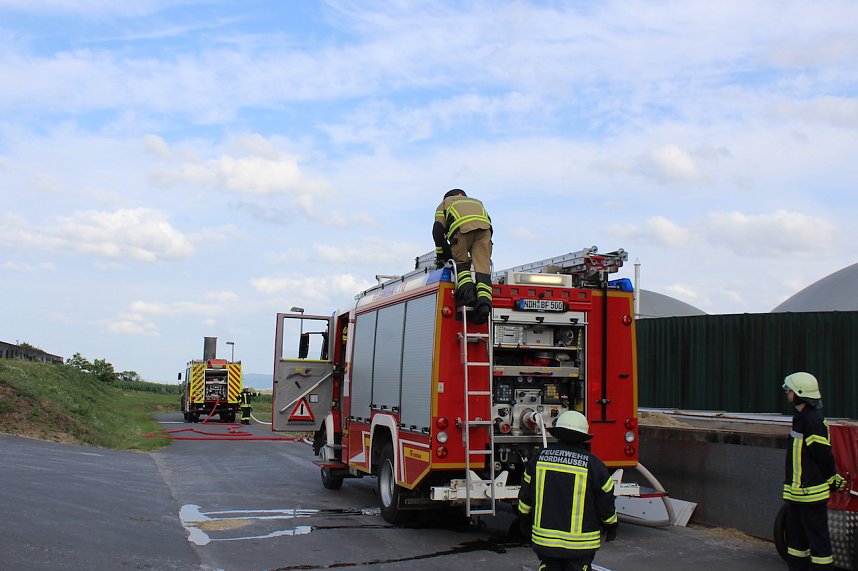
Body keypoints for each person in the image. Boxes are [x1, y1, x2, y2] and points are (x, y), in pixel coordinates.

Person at [518, 410, 618, 571]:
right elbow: (605, 500)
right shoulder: (594, 465)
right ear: (583, 437)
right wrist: (611, 524)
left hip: (545, 543)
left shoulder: (539, 459)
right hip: (581, 546)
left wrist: (523, 518)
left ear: (558, 434)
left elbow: (525, 496)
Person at [781, 372, 847, 570]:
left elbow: (823, 455)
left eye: (790, 390)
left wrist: (832, 477)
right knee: (796, 542)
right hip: (797, 494)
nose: (787, 393)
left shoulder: (813, 420)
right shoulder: (801, 418)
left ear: (799, 393)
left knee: (818, 543)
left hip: (810, 494)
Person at [432, 189, 493, 323]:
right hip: (485, 233)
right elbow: (489, 224)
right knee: (483, 270)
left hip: (462, 231)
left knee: (461, 265)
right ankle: (484, 304)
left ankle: (468, 294)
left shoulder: (445, 203)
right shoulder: (477, 202)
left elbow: (437, 230)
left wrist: (443, 255)